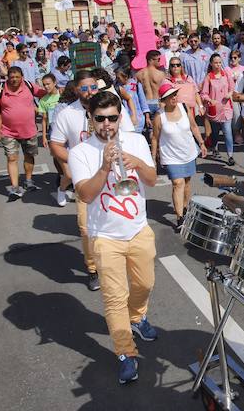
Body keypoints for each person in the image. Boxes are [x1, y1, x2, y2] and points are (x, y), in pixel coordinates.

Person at [68, 91, 159, 386]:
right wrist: (106, 166)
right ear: (91, 119)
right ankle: (126, 353)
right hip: (105, 236)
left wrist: (136, 163)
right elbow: (85, 194)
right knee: (114, 298)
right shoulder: (80, 151)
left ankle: (138, 317)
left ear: (120, 117)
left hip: (138, 228)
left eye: (112, 118)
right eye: (100, 118)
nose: (107, 124)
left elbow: (152, 179)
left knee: (145, 284)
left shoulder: (136, 140)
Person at [49, 70, 102, 290]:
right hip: (84, 179)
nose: (90, 92)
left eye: (93, 87)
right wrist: (76, 160)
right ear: (76, 89)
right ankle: (93, 270)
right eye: (84, 88)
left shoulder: (110, 106)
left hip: (110, 175)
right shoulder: (66, 114)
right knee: (86, 227)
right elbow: (55, 145)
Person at [151, 83, 205, 230]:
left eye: (175, 94)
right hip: (170, 156)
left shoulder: (184, 107)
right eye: (170, 96)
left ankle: (186, 208)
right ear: (164, 99)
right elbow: (155, 138)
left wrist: (201, 143)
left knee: (187, 182)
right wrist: (153, 159)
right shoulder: (159, 116)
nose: (174, 98)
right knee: (178, 183)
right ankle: (180, 218)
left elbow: (193, 126)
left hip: (188, 152)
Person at [0, 66, 45, 199]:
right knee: (12, 158)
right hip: (8, 132)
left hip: (29, 130)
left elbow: (44, 93)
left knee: (29, 156)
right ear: (7, 77)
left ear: (22, 78)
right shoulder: (0, 90)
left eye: (17, 77)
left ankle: (28, 180)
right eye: (12, 77)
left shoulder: (29, 85)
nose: (14, 80)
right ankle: (15, 187)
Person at [200, 53, 236, 165]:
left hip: (226, 108)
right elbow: (203, 94)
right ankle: (214, 148)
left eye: (220, 62)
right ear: (211, 63)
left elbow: (232, 88)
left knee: (228, 132)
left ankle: (230, 156)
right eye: (215, 62)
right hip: (214, 110)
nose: (218, 65)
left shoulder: (226, 74)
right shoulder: (208, 77)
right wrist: (210, 100)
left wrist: (229, 94)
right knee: (215, 133)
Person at [136, 50, 166, 117]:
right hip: (158, 102)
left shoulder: (138, 74)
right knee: (159, 126)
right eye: (158, 59)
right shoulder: (161, 74)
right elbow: (165, 90)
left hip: (145, 103)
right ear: (151, 60)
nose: (160, 61)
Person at [38, 73, 62, 148]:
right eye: (44, 84)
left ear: (55, 83)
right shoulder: (43, 100)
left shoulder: (62, 94)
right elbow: (44, 119)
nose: (46, 86)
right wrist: (44, 137)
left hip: (65, 127)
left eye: (48, 84)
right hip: (53, 129)